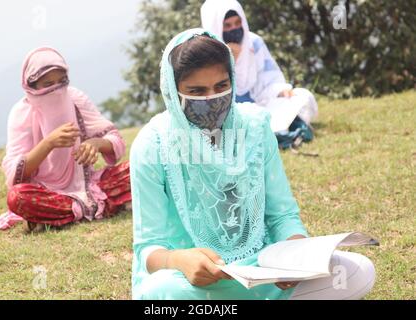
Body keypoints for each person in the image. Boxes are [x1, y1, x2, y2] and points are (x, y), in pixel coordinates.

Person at [130, 29, 375, 300]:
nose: (212, 99)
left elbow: (283, 217)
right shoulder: (152, 145)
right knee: (159, 292)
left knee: (356, 271)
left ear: (232, 80)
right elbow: (149, 249)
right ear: (174, 92)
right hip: (195, 284)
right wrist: (179, 260)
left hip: (262, 270)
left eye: (221, 86)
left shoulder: (256, 127)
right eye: (197, 91)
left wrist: (295, 256)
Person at [0, 47, 131, 232]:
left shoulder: (75, 99)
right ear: (31, 87)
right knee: (17, 197)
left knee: (140, 168)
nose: (56, 89)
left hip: (89, 184)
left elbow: (115, 139)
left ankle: (62, 215)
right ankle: (101, 206)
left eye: (61, 81)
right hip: (46, 192)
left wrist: (96, 144)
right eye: (48, 83)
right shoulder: (21, 113)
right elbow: (15, 174)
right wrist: (49, 143)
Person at [201, 0, 318, 145]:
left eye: (238, 23)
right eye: (228, 25)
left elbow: (269, 78)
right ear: (216, 26)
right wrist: (230, 60)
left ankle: (272, 129)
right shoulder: (204, 51)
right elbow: (210, 94)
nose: (235, 29)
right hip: (227, 112)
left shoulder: (253, 42)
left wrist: (279, 91)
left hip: (258, 103)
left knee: (304, 97)